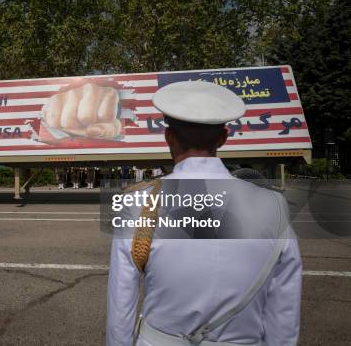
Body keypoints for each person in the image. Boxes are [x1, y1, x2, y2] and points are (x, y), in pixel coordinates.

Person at [106, 81, 302, 346]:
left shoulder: (137, 202)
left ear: (168, 137)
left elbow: (122, 302)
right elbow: (284, 312)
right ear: (223, 137)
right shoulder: (272, 205)